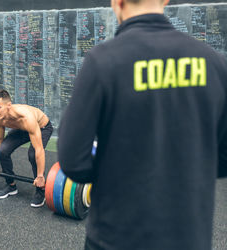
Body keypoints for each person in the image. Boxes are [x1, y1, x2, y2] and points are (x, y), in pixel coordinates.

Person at [57, 0, 227, 249]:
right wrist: (182, 173)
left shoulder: (103, 61)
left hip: (116, 238)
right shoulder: (213, 62)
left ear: (117, 1)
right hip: (189, 238)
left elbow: (73, 160)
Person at [0, 89, 53, 207]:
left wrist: (40, 175)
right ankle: (10, 185)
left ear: (8, 105)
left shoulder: (26, 117)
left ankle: (40, 189)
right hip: (20, 129)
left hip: (41, 127)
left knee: (33, 155)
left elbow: (39, 150)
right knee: (3, 150)